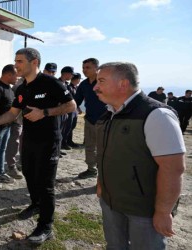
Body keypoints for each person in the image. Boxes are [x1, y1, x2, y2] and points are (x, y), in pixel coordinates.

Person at [0, 48, 76, 244]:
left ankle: (45, 226)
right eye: (15, 61)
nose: (16, 65)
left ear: (34, 62)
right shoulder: (22, 88)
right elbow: (13, 113)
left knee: (46, 183)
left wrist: (45, 112)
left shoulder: (51, 83)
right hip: (29, 140)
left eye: (20, 61)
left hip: (49, 140)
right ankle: (35, 204)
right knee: (29, 174)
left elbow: (71, 106)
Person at [94, 62, 185, 249]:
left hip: (143, 211)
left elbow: (173, 168)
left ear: (123, 84)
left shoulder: (157, 115)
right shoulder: (109, 114)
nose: (95, 87)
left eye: (101, 81)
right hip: (111, 202)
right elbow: (109, 155)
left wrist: (163, 211)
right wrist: (101, 183)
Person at [74, 58, 107, 179]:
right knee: (89, 146)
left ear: (96, 68)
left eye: (88, 67)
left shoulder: (104, 82)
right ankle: (91, 169)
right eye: (83, 68)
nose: (84, 70)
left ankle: (103, 173)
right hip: (89, 119)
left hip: (105, 120)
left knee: (103, 148)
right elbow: (76, 101)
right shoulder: (84, 84)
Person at [5, 77, 24, 180]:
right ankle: (11, 166)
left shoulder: (31, 81)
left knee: (24, 142)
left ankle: (21, 162)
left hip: (27, 119)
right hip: (17, 119)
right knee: (14, 142)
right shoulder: (18, 85)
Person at [58, 66, 76, 150]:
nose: (72, 76)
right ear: (66, 73)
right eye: (71, 74)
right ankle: (57, 148)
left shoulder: (65, 84)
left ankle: (60, 147)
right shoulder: (57, 83)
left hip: (65, 111)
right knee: (59, 130)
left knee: (64, 129)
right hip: (59, 111)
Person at [66, 73, 83, 148]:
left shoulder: (76, 88)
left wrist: (78, 108)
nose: (79, 81)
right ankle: (65, 142)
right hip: (70, 110)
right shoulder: (68, 87)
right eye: (79, 79)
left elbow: (76, 100)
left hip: (75, 110)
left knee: (72, 126)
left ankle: (70, 141)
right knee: (68, 126)